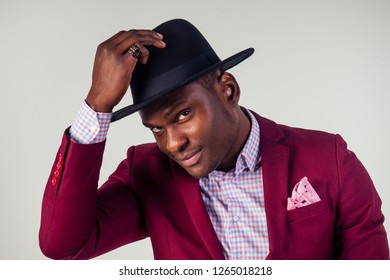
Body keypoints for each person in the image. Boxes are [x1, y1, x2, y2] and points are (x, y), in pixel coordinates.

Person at [39, 18, 389, 260]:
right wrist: (98, 104)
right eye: (157, 128)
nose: (173, 143)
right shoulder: (145, 175)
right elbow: (63, 245)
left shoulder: (330, 161)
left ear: (228, 90)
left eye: (182, 115)